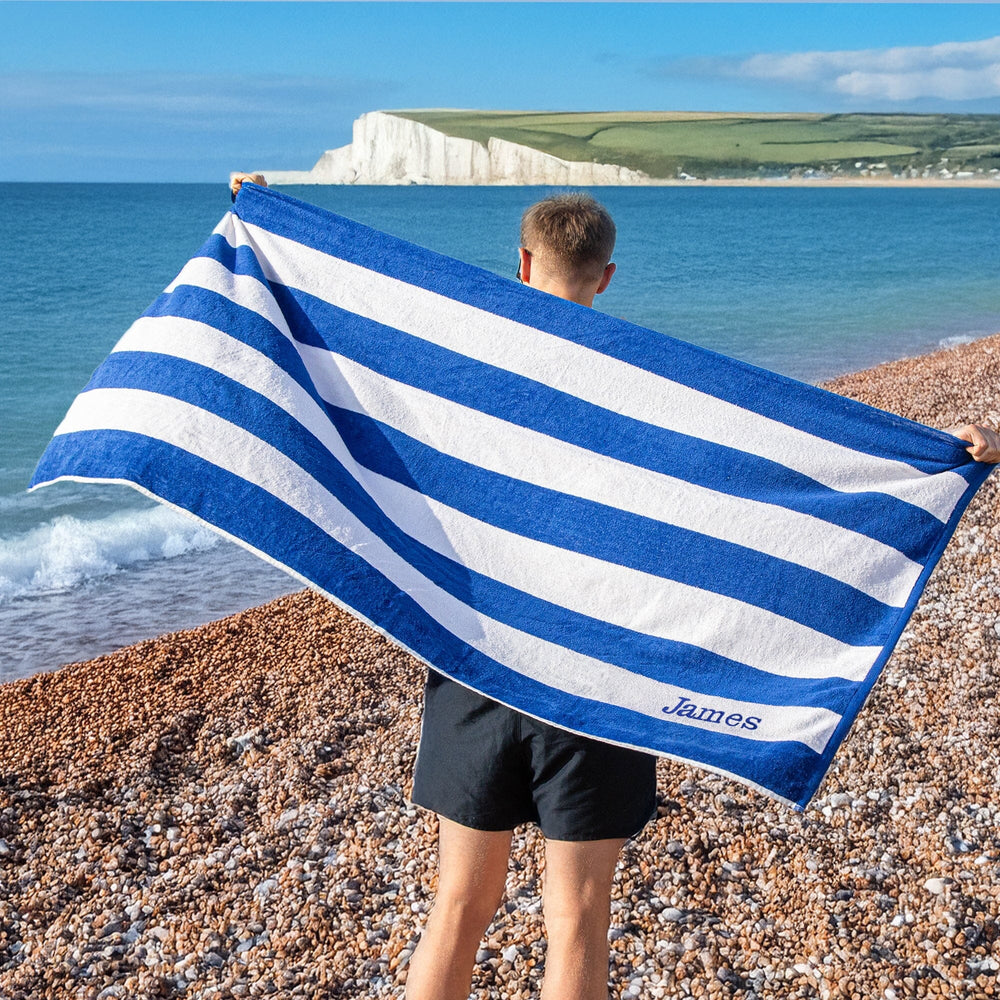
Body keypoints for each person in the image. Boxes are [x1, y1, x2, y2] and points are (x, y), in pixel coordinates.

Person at [229, 175, 1000, 998]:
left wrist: (267, 220)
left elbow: (353, 339)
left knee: (457, 903)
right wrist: (938, 454)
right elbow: (768, 462)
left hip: (479, 666)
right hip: (606, 675)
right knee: (579, 915)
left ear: (521, 264)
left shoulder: (470, 364)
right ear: (608, 275)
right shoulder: (647, 395)